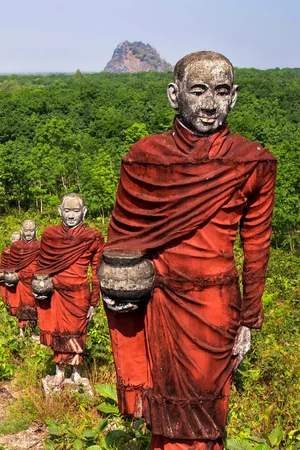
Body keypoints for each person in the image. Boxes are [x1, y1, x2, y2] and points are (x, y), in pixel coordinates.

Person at [104, 52, 277, 450]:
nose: (210, 104)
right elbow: (121, 242)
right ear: (174, 94)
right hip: (158, 300)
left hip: (216, 306)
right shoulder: (145, 158)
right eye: (197, 90)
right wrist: (118, 289)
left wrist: (249, 317)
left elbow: (257, 246)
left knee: (206, 412)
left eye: (220, 91)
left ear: (233, 97)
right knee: (162, 409)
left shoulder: (252, 161)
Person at [35, 193, 103, 387]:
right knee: (58, 332)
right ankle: (59, 371)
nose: (71, 215)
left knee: (77, 332)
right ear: (59, 211)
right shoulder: (50, 235)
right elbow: (42, 267)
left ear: (84, 211)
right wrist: (39, 289)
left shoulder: (92, 236)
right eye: (67, 210)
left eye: (76, 211)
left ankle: (75, 372)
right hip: (55, 292)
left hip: (80, 293)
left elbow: (97, 270)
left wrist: (94, 301)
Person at [6, 221, 40, 337]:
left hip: (34, 282)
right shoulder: (16, 246)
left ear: (36, 231)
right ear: (21, 231)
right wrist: (11, 276)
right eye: (26, 230)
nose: (29, 233)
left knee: (33, 306)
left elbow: (44, 265)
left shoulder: (40, 246)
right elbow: (11, 265)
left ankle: (32, 331)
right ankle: (21, 331)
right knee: (21, 305)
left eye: (31, 230)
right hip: (20, 281)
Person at [0, 232, 21, 309]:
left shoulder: (23, 251)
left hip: (20, 277)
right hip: (9, 276)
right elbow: (3, 265)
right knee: (10, 296)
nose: (15, 241)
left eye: (18, 239)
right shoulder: (6, 251)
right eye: (14, 239)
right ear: (11, 240)